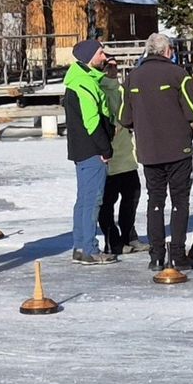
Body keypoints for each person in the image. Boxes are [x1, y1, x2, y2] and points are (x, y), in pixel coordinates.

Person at [120, 32, 193, 269]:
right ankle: (177, 254)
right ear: (168, 51)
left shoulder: (133, 77)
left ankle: (156, 256)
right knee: (179, 201)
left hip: (149, 150)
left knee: (155, 201)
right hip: (178, 148)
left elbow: (123, 117)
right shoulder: (179, 74)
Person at [63, 39, 117, 264]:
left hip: (82, 149)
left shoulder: (81, 79)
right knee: (92, 200)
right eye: (101, 53)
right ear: (89, 57)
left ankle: (80, 245)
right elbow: (92, 121)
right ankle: (89, 249)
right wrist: (105, 148)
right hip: (91, 150)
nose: (104, 57)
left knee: (84, 200)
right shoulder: (84, 83)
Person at [98, 58, 143, 257]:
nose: (113, 69)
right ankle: (112, 240)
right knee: (107, 201)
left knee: (132, 194)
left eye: (116, 66)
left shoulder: (122, 89)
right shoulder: (100, 89)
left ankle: (129, 234)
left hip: (125, 152)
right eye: (109, 65)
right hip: (107, 153)